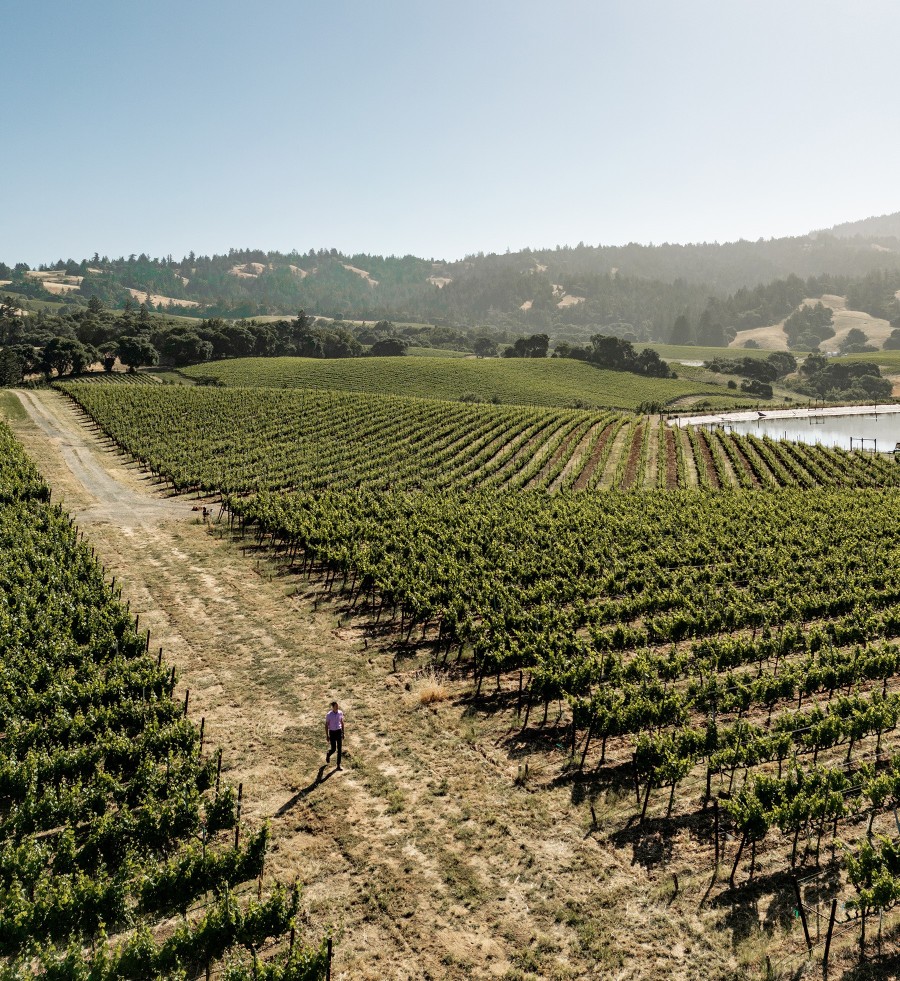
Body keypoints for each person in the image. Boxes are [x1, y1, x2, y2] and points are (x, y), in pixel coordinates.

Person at [325, 701, 345, 769]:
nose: (337, 707)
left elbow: (342, 723)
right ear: (333, 707)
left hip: (339, 732)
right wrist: (327, 735)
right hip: (332, 732)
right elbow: (326, 725)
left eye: (337, 706)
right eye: (336, 706)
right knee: (333, 749)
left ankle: (338, 765)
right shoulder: (329, 715)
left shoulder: (340, 712)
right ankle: (328, 754)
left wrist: (343, 732)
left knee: (339, 749)